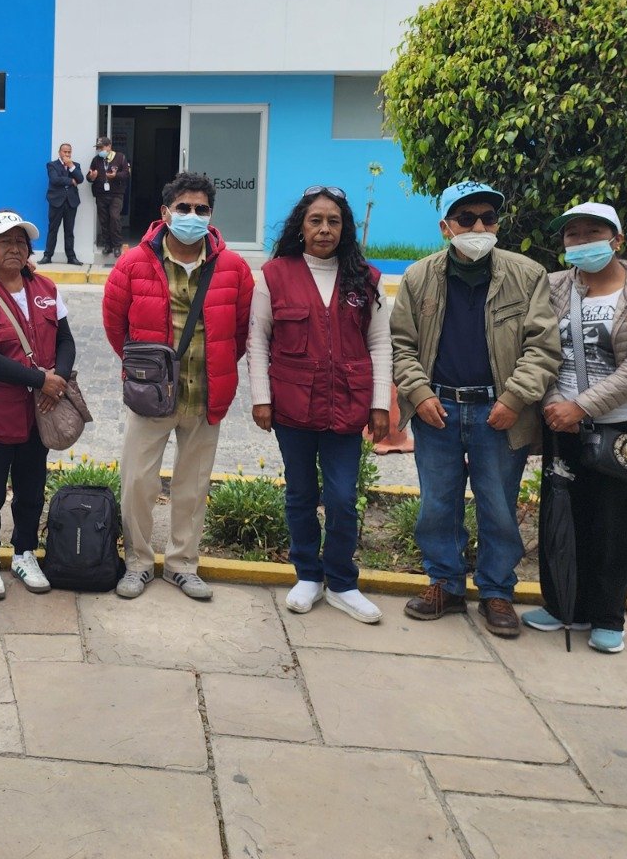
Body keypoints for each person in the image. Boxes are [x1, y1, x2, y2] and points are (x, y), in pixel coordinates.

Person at [390, 180, 559, 638]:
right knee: (437, 504)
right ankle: (444, 583)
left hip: (499, 413)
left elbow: (543, 347)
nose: (479, 226)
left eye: (488, 217)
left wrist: (514, 398)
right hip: (437, 408)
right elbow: (401, 346)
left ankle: (496, 591)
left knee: (499, 506)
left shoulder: (526, 275)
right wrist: (419, 394)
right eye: (467, 219)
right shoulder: (418, 277)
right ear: (446, 227)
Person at [527, 202, 627, 655]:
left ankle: (608, 616)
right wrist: (555, 404)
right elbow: (537, 348)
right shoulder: (552, 287)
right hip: (560, 424)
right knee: (562, 514)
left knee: (616, 523)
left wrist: (581, 407)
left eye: (593, 233)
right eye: (573, 235)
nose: (582, 242)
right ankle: (562, 606)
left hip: (622, 426)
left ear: (618, 240)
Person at [103, 172, 254, 600]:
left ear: (211, 215)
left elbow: (240, 332)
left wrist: (217, 365)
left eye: (201, 209)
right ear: (165, 212)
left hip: (206, 395)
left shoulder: (234, 268)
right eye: (183, 208)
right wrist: (145, 371)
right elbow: (116, 327)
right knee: (138, 483)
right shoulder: (133, 263)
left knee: (194, 485)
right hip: (150, 397)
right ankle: (137, 562)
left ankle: (183, 565)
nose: (192, 216)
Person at [249, 186, 391, 624]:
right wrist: (261, 398)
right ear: (301, 225)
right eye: (316, 220)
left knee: (343, 497)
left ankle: (343, 583)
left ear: (344, 228)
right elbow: (258, 340)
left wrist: (380, 403)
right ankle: (308, 575)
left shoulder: (365, 279)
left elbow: (380, 342)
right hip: (292, 405)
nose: (325, 229)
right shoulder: (274, 274)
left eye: (333, 221)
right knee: (300, 494)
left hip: (346, 406)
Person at [0, 209, 78, 599]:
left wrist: (56, 381)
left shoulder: (45, 288)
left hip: (38, 413)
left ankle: (25, 551)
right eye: (5, 241)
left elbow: (66, 340)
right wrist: (42, 380)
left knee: (31, 486)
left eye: (21, 241)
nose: (15, 248)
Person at [87, 135, 131, 258]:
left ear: (109, 146)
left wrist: (115, 176)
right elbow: (89, 176)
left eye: (102, 147)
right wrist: (91, 177)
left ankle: (117, 245)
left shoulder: (120, 157)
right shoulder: (96, 160)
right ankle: (108, 245)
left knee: (114, 217)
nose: (100, 150)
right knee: (104, 220)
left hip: (116, 194)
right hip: (100, 194)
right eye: (98, 148)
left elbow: (126, 174)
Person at [41, 144, 84, 265]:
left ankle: (71, 257)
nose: (67, 154)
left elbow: (80, 179)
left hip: (71, 202)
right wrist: (71, 181)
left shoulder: (75, 165)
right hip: (56, 201)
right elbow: (54, 179)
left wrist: (70, 166)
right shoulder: (52, 165)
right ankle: (47, 256)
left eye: (69, 152)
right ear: (59, 152)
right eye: (65, 152)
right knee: (53, 229)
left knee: (69, 230)